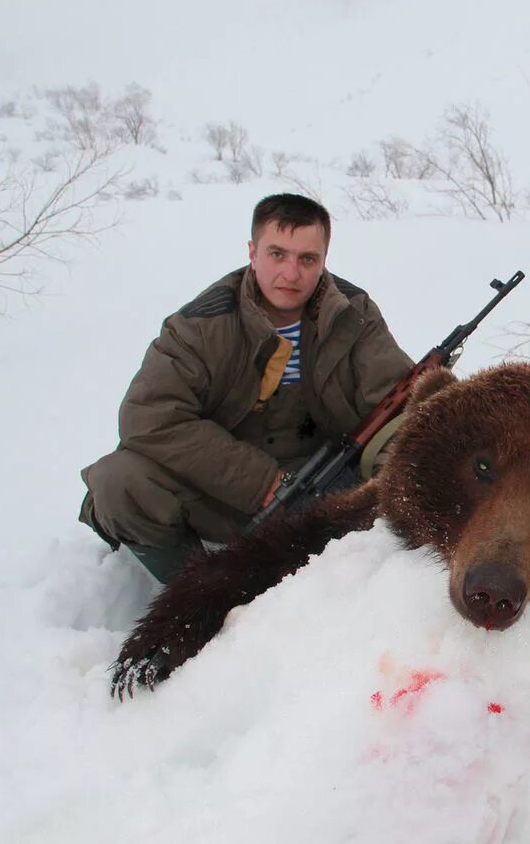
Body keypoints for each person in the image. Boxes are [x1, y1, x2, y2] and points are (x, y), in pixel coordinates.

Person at [79, 194, 413, 582]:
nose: (291, 274)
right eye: (277, 254)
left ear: (324, 260)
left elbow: (400, 405)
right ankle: (195, 592)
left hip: (329, 491)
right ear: (253, 252)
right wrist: (263, 484)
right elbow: (147, 417)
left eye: (308, 259)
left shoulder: (353, 315)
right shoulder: (200, 324)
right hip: (223, 491)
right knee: (119, 481)